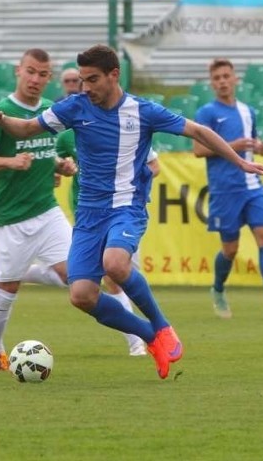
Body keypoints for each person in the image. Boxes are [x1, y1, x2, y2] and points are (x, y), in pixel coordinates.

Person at [0, 44, 263, 379]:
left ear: (114, 75)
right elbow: (27, 128)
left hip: (126, 207)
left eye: (92, 79)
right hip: (89, 215)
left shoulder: (143, 110)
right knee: (81, 296)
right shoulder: (74, 107)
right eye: (82, 80)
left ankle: (162, 327)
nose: (85, 87)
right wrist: (1, 120)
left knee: (115, 264)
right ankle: (150, 337)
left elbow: (199, 132)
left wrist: (241, 163)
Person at [0, 48, 79, 371]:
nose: (35, 79)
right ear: (19, 71)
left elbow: (44, 154)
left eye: (42, 74)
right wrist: (10, 162)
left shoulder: (49, 110)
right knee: (8, 288)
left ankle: (28, 272)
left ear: (49, 78)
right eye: (30, 71)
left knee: (78, 275)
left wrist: (61, 165)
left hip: (47, 210)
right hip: (11, 217)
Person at [193, 58, 263, 320]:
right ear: (212, 83)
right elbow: (198, 150)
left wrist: (259, 148)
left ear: (235, 78)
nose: (223, 81)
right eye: (217, 78)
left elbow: (254, 141)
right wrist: (233, 145)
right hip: (225, 190)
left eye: (227, 76)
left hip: (252, 186)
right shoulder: (206, 113)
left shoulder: (248, 111)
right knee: (230, 250)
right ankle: (218, 289)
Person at [56, 122, 160, 357]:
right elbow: (59, 167)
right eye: (73, 82)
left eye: (78, 81)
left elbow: (154, 165)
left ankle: (154, 332)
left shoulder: (125, 126)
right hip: (89, 216)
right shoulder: (66, 137)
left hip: (124, 212)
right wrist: (60, 171)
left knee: (116, 272)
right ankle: (142, 340)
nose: (76, 85)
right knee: (88, 286)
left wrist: (127, 177)